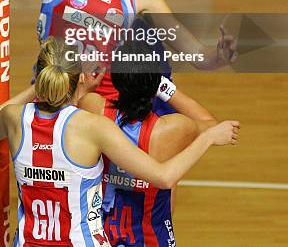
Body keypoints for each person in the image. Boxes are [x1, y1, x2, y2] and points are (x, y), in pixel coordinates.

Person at [0, 37, 240, 246]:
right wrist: (208, 137)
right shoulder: (94, 127)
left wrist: (41, 87)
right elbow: (164, 176)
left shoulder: (15, 118)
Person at [79, 42, 224, 246]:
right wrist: (165, 87)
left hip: (100, 235)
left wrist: (87, 86)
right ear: (156, 82)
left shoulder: (93, 107)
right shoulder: (172, 129)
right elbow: (211, 125)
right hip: (151, 238)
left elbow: (74, 103)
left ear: (117, 80)